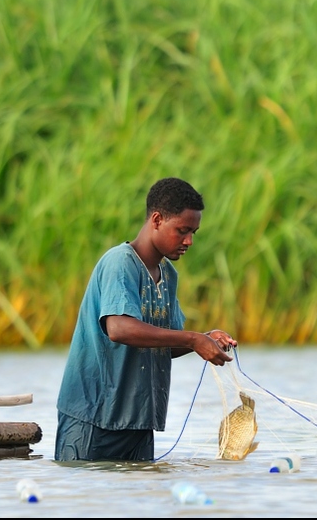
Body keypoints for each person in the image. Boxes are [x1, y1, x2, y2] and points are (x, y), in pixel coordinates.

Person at [55, 177, 238, 462]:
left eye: (194, 232)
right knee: (87, 502)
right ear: (156, 220)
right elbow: (119, 329)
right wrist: (192, 339)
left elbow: (164, 342)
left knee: (139, 503)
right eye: (182, 230)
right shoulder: (120, 263)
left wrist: (204, 339)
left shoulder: (169, 275)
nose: (189, 241)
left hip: (139, 420)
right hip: (94, 418)